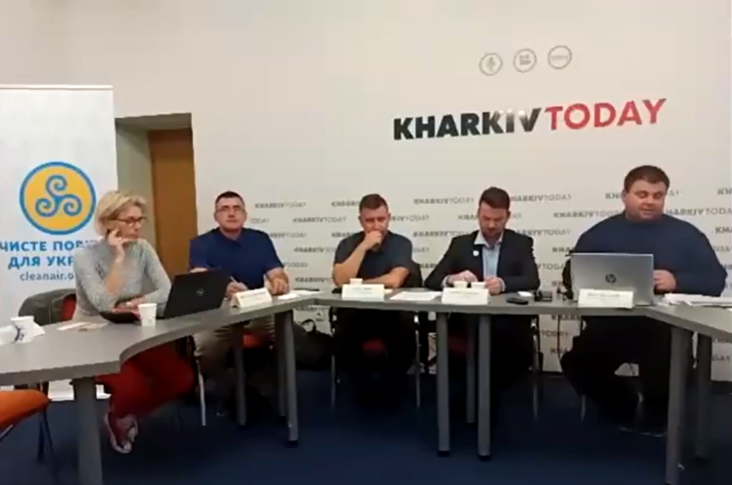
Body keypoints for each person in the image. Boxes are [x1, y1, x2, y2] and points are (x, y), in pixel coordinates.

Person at [560, 165, 726, 435]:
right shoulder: (599, 234)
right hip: (611, 327)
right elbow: (572, 275)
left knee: (670, 370)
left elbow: (715, 279)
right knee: (577, 364)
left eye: (657, 195)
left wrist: (677, 281)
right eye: (642, 194)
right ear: (624, 195)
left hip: (664, 329)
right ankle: (623, 402)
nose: (650, 201)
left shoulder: (686, 235)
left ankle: (657, 416)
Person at [72, 190, 194, 454]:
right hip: (94, 336)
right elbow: (103, 303)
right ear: (108, 222)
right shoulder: (84, 256)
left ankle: (121, 414)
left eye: (140, 219)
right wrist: (118, 259)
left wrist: (135, 302)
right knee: (133, 389)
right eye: (130, 220)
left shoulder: (142, 249)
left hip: (130, 327)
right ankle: (120, 413)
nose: (137, 226)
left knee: (181, 378)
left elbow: (167, 290)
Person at [425, 187, 540, 422]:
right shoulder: (460, 244)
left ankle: (490, 405)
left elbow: (532, 279)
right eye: (486, 218)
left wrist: (503, 283)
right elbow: (432, 279)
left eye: (498, 219)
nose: (491, 225)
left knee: (506, 348)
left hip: (507, 325)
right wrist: (452, 279)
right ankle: (474, 404)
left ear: (508, 216)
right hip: (467, 324)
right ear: (478, 214)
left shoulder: (520, 243)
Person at [189, 191, 289, 415]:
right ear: (216, 216)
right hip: (219, 312)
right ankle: (231, 387)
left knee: (290, 335)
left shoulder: (260, 239)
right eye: (225, 209)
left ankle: (258, 386)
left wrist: (279, 281)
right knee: (206, 348)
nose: (231, 213)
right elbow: (199, 275)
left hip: (255, 308)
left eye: (237, 208)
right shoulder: (201, 243)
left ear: (245, 214)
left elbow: (277, 272)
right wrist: (223, 287)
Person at [331, 193, 416, 402]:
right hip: (357, 313)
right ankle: (359, 387)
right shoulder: (348, 244)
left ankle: (392, 389)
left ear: (389, 218)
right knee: (343, 333)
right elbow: (340, 280)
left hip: (392, 313)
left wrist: (357, 284)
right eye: (370, 220)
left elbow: (394, 280)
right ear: (361, 221)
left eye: (381, 219)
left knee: (405, 330)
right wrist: (363, 247)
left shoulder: (401, 243)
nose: (377, 226)